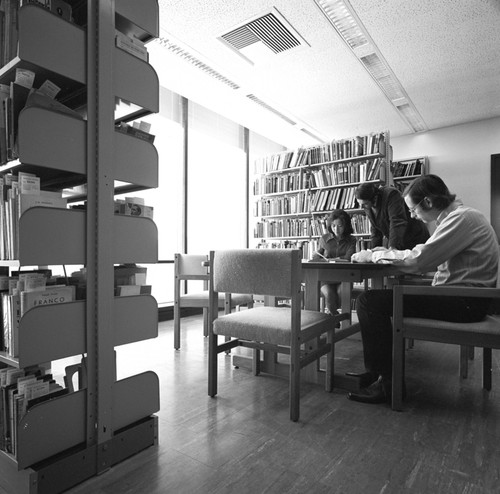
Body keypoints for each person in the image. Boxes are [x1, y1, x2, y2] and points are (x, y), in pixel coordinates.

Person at [347, 174, 499, 404]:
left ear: (427, 202)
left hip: (464, 301)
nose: (411, 215)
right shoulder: (459, 218)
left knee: (368, 301)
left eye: (413, 209)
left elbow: (420, 259)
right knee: (376, 300)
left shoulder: (462, 218)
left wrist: (375, 254)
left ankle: (388, 385)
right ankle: (378, 372)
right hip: (462, 297)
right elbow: (426, 257)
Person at [355, 182, 429, 250]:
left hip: (415, 238)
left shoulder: (391, 194)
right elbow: (375, 229)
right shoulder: (367, 206)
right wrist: (372, 252)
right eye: (360, 204)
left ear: (374, 198)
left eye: (365, 204)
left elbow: (397, 222)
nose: (362, 207)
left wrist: (392, 248)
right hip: (400, 241)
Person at [312, 209, 357, 314]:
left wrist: (330, 260)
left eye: (340, 226)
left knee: (341, 293)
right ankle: (335, 317)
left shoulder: (351, 240)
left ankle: (332, 316)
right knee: (329, 295)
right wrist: (316, 256)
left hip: (344, 277)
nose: (336, 229)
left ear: (346, 226)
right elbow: (319, 257)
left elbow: (348, 258)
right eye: (333, 226)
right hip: (326, 277)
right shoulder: (324, 238)